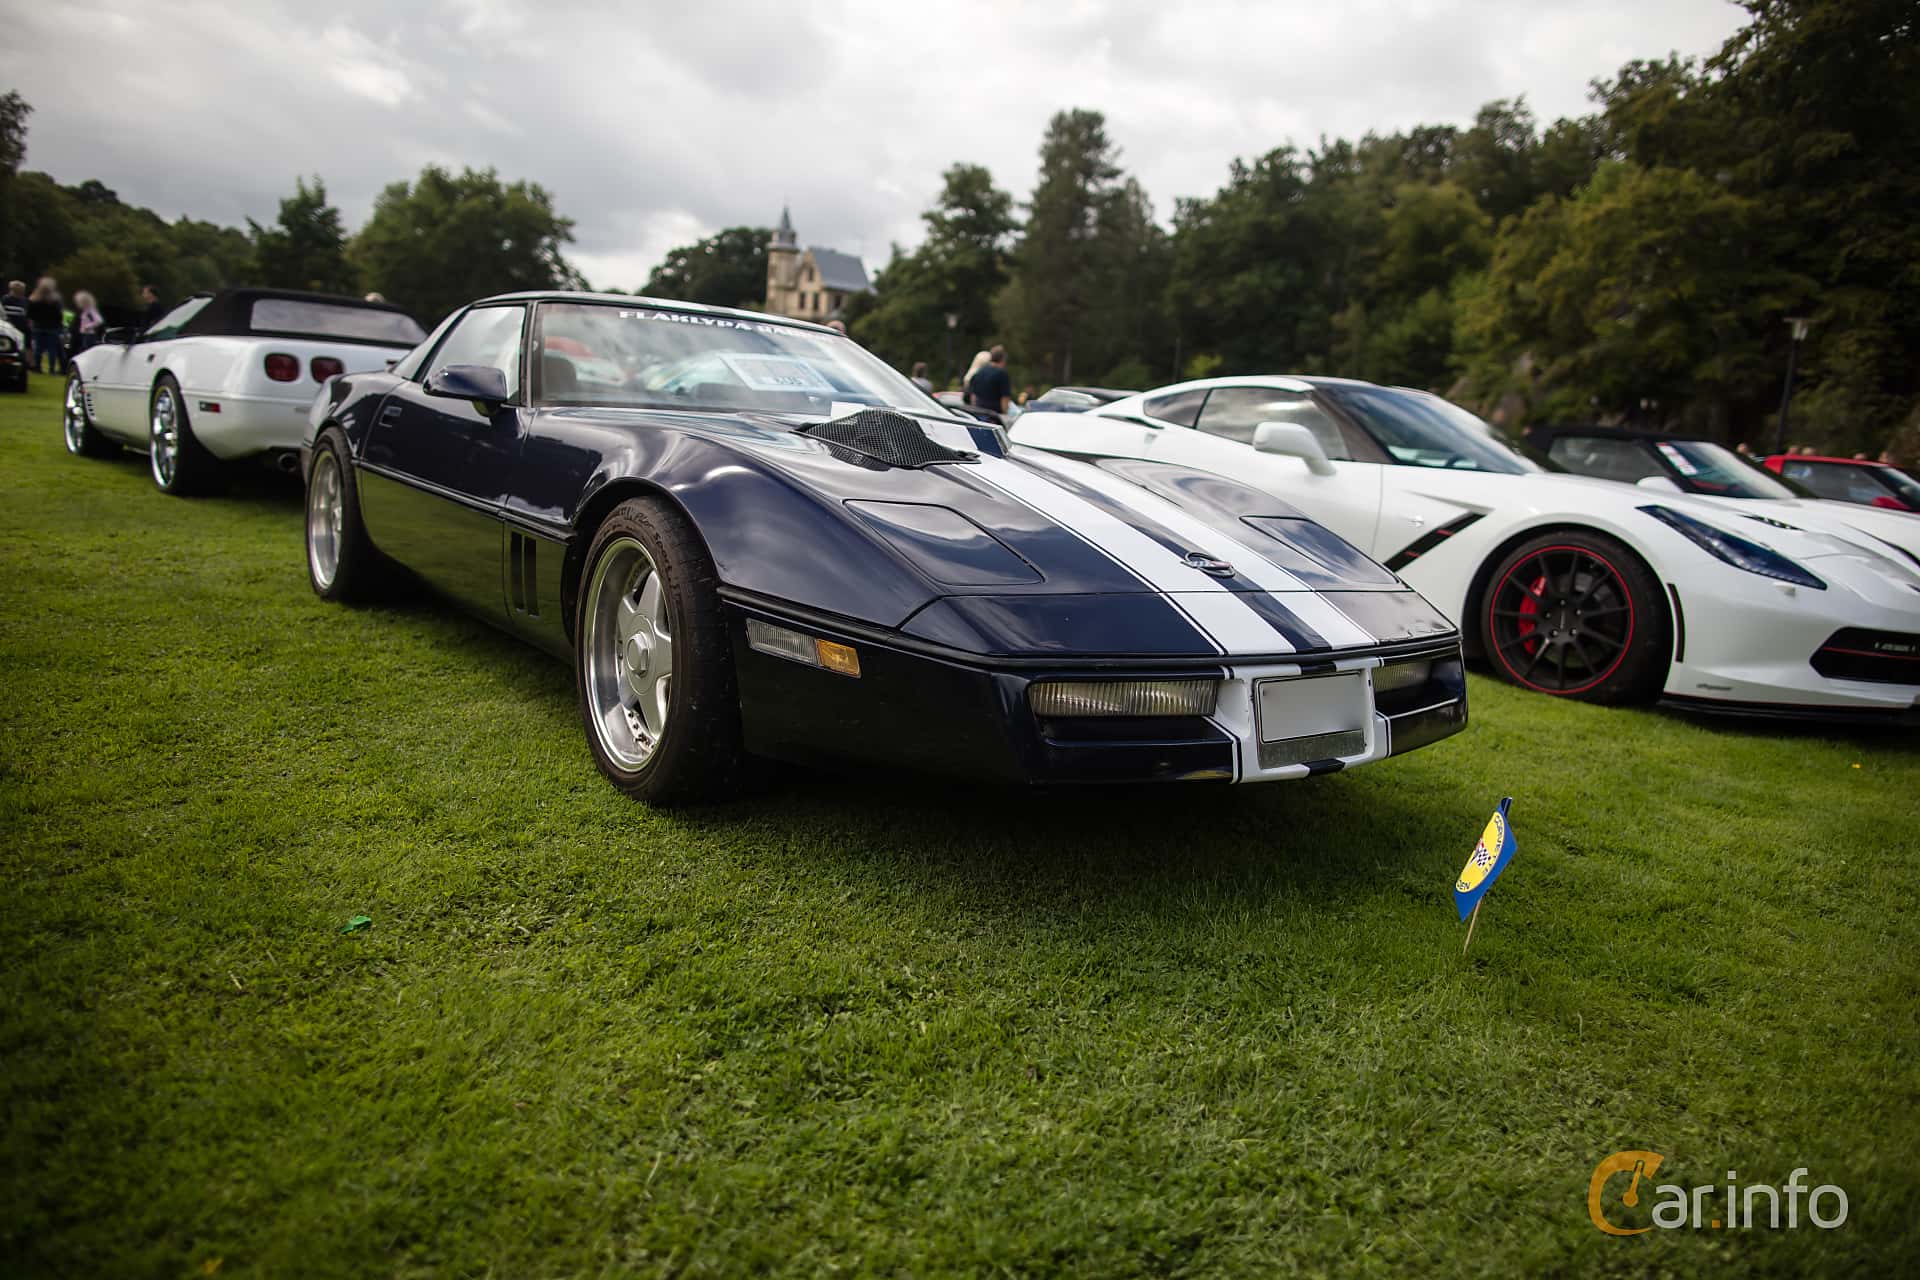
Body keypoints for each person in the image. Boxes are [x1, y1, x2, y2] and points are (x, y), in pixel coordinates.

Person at [27, 277, 65, 375]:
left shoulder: (34, 298)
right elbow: (59, 315)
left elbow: (29, 313)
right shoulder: (55, 299)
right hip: (52, 327)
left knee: (38, 348)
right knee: (52, 349)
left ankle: (37, 367)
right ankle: (51, 369)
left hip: (38, 326)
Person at [966, 344, 1013, 417]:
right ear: (1003, 358)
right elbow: (1005, 398)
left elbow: (973, 396)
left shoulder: (979, 372)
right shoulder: (1002, 374)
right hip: (994, 416)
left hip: (979, 413)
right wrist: (1005, 415)